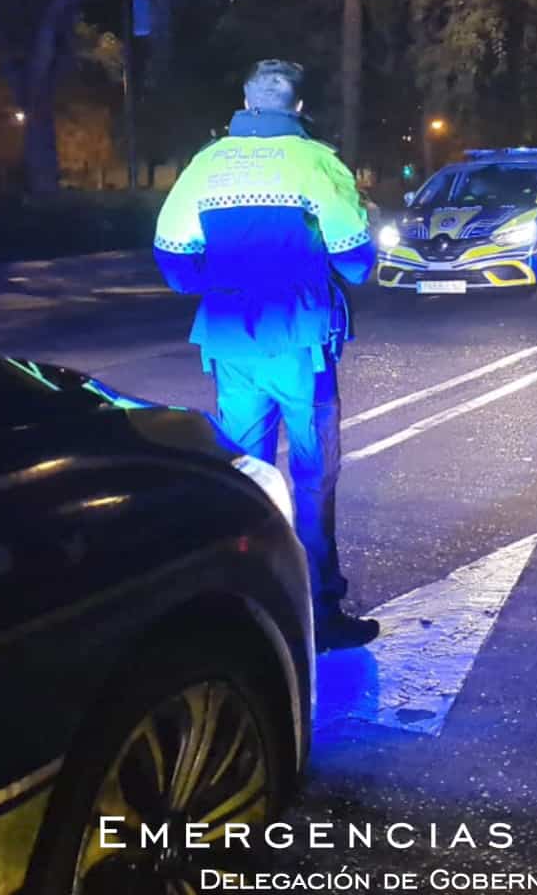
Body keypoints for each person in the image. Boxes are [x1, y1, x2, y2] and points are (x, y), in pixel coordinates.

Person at [153, 59, 380, 651]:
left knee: (246, 474)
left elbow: (175, 263)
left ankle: (247, 605)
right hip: (299, 340)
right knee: (312, 473)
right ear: (299, 107)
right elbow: (356, 257)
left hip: (230, 341)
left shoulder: (206, 164)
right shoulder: (315, 163)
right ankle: (321, 613)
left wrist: (229, 278)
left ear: (245, 100)